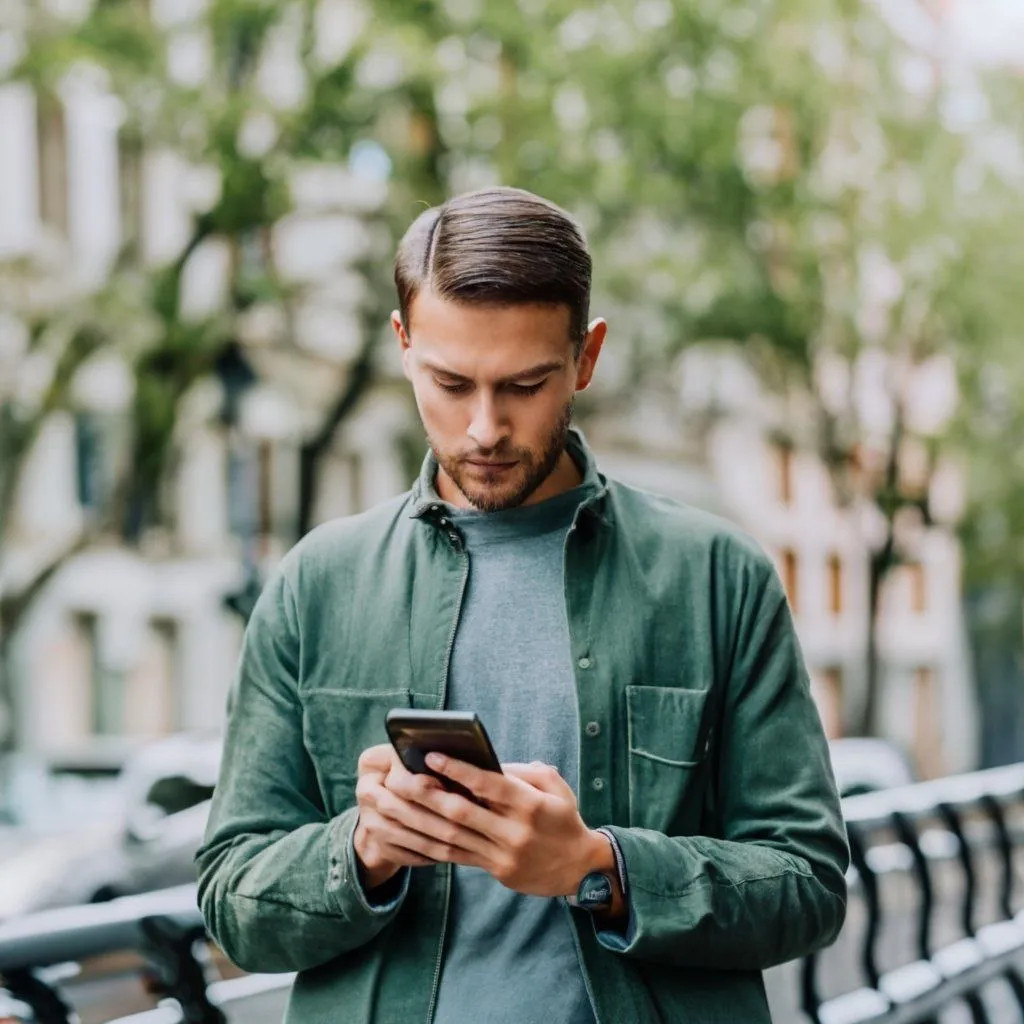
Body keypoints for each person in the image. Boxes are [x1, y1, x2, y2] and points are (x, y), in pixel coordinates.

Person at [196, 186, 848, 1024]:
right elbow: (229, 895)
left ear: (586, 356)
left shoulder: (718, 577)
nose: (483, 428)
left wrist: (598, 868)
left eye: (525, 385)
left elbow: (810, 883)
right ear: (402, 346)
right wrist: (363, 850)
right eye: (450, 382)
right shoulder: (314, 583)